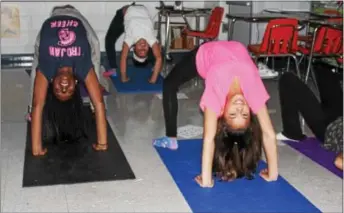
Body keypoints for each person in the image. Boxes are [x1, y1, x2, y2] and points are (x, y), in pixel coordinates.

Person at [153, 41, 278, 187]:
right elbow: (269, 133)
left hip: (205, 53)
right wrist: (273, 173)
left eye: (232, 115)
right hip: (231, 44)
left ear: (222, 112)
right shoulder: (253, 93)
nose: (239, 107)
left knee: (169, 84)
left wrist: (206, 180)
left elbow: (209, 137)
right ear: (250, 111)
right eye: (244, 114)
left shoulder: (216, 94)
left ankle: (171, 138)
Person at [30, 12, 107, 156]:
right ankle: (96, 84)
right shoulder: (83, 67)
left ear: (51, 82)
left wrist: (36, 148)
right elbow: (99, 103)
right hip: (75, 15)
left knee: (36, 68)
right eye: (69, 91)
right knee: (95, 46)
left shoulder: (47, 68)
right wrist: (102, 143)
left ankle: (32, 115)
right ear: (77, 82)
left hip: (52, 16)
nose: (64, 87)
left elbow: (38, 104)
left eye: (59, 91)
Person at [28, 5, 109, 117]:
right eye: (70, 91)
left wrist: (33, 108)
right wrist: (97, 103)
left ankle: (31, 108)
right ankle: (94, 105)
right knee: (94, 55)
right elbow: (95, 46)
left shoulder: (51, 25)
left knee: (37, 64)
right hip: (74, 18)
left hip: (61, 19)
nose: (64, 87)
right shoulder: (76, 19)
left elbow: (36, 67)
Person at [277, 68, 343, 170]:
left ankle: (292, 133)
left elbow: (339, 162)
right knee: (324, 69)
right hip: (340, 117)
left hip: (329, 130)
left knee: (288, 79)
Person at [105, 3, 162, 83]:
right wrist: (153, 79)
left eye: (140, 50)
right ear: (148, 47)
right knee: (156, 51)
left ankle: (113, 69)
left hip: (124, 15)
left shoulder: (130, 38)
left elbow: (123, 57)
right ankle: (152, 64)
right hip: (140, 8)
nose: (143, 47)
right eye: (144, 50)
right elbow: (159, 58)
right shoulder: (151, 38)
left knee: (109, 39)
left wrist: (124, 77)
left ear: (134, 47)